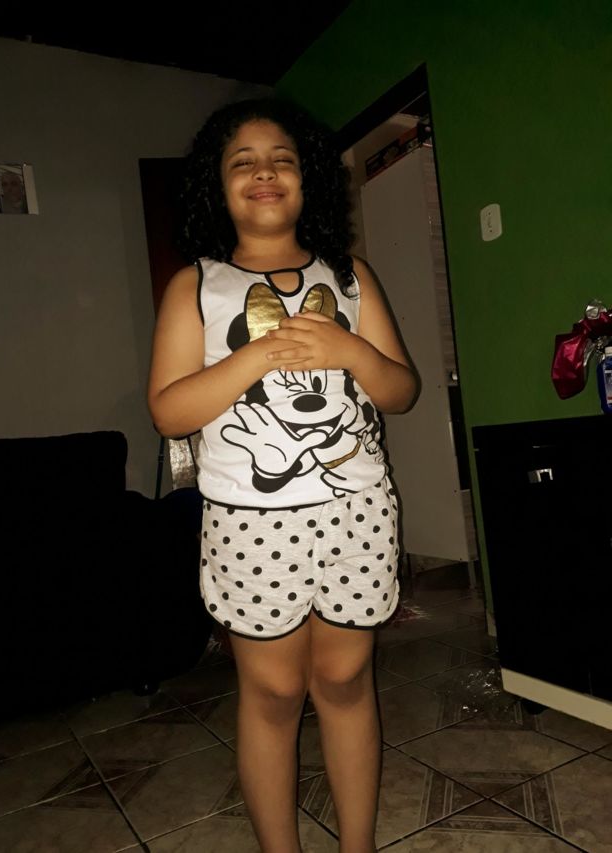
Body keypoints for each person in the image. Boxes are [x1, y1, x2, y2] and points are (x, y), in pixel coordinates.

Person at [148, 98, 417, 853]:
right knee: (271, 694)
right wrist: (258, 356)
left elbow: (401, 390)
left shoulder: (350, 276)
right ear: (216, 185)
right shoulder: (195, 285)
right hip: (250, 521)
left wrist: (352, 353)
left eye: (283, 159)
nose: (264, 171)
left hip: (357, 511)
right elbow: (169, 411)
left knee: (346, 683)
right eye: (243, 161)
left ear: (309, 181)